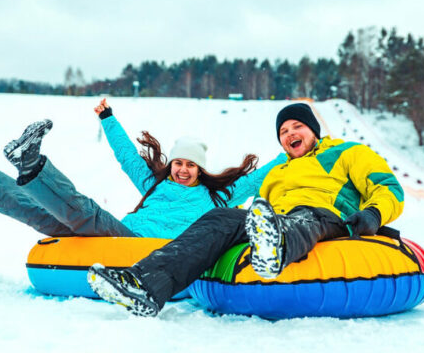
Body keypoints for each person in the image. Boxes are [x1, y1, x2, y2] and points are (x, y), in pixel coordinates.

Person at [88, 103, 404, 317]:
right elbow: (257, 211)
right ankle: (144, 285)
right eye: (284, 132)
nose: (291, 134)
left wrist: (374, 214)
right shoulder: (279, 173)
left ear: (313, 130)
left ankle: (275, 248)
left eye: (298, 127)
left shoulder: (347, 152)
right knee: (219, 217)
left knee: (304, 217)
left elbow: (389, 188)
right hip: (276, 218)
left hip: (324, 215)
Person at [0, 99, 286, 239]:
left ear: (200, 169)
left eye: (190, 165)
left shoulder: (217, 198)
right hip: (120, 235)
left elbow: (260, 177)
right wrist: (108, 118)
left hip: (139, 246)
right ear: (171, 164)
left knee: (86, 212)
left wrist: (292, 152)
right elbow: (127, 156)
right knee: (44, 214)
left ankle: (30, 162)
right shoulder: (155, 185)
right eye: (178, 163)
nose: (183, 170)